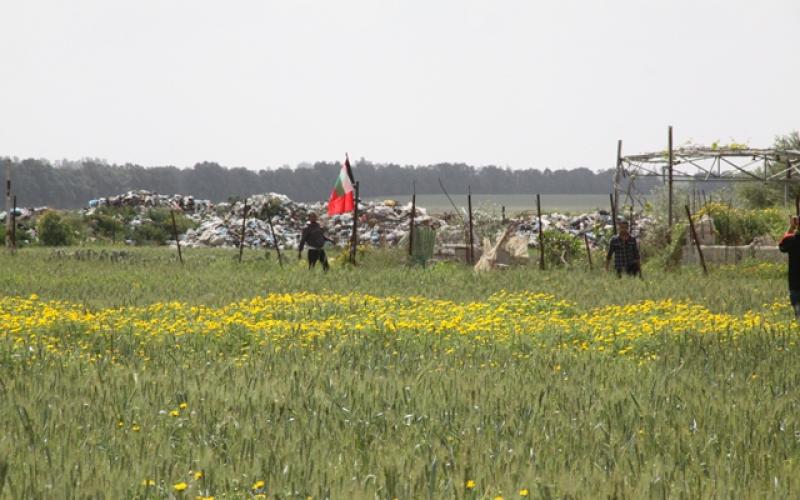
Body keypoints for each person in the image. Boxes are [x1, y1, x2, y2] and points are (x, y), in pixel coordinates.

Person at [778, 215, 800, 318]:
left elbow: (782, 246)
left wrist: (791, 227)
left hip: (795, 282)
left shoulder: (791, 240)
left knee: (798, 314)